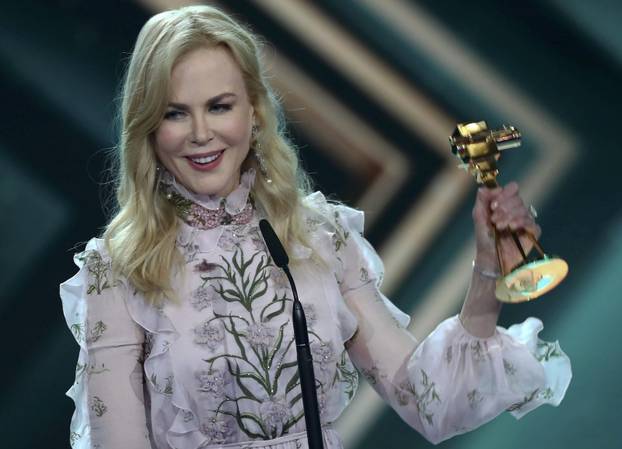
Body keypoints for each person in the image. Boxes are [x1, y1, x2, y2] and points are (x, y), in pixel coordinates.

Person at [60, 5, 571, 449]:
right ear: (148, 127)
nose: (200, 133)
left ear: (255, 114)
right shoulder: (121, 267)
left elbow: (429, 403)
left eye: (219, 106)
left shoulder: (319, 236)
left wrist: (487, 266)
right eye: (175, 113)